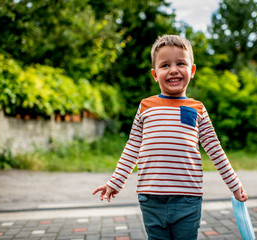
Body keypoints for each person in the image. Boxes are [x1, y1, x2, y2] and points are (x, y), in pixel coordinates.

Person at [93, 34, 248, 240]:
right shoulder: (146, 106)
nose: (173, 69)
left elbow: (215, 150)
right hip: (151, 198)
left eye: (180, 63)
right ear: (155, 74)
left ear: (192, 71)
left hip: (188, 199)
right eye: (165, 65)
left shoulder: (197, 108)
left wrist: (235, 186)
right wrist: (115, 182)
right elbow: (132, 148)